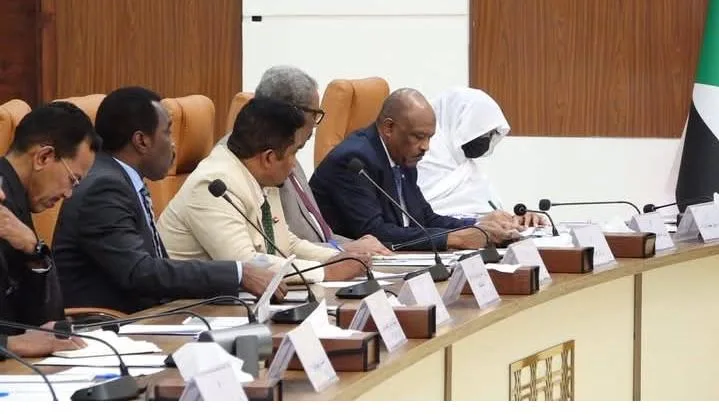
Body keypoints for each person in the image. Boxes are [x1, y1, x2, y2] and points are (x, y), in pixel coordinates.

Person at [53, 87, 285, 314]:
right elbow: (140, 272)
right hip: (112, 325)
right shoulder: (104, 189)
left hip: (150, 316)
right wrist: (238, 273)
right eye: (167, 133)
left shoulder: (121, 180)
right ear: (141, 141)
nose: (174, 144)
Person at [158, 97, 369, 283]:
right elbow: (246, 265)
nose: (293, 165)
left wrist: (336, 258)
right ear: (268, 158)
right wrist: (325, 272)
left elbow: (285, 243)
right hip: (185, 306)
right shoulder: (214, 186)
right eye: (293, 153)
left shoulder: (261, 177)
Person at [310, 88, 522, 250]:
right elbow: (374, 233)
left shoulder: (402, 155)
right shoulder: (355, 160)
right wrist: (455, 238)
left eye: (430, 137)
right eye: (419, 137)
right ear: (389, 127)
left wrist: (477, 226)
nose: (425, 147)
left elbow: (425, 218)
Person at [218, 66, 391, 255]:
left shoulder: (287, 154)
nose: (316, 125)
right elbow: (277, 249)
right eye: (314, 114)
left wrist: (361, 248)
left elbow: (321, 236)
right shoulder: (253, 161)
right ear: (292, 112)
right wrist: (343, 251)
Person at [0, 102, 96, 358]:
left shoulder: (16, 203)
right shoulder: (4, 204)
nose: (68, 194)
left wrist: (34, 250)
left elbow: (47, 325)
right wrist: (12, 344)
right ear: (43, 157)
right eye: (73, 179)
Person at [417, 87, 545, 226]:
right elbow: (423, 221)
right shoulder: (419, 158)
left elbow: (488, 214)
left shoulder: (468, 169)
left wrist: (517, 220)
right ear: (456, 122)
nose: (487, 139)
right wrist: (478, 224)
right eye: (481, 131)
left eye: (491, 133)